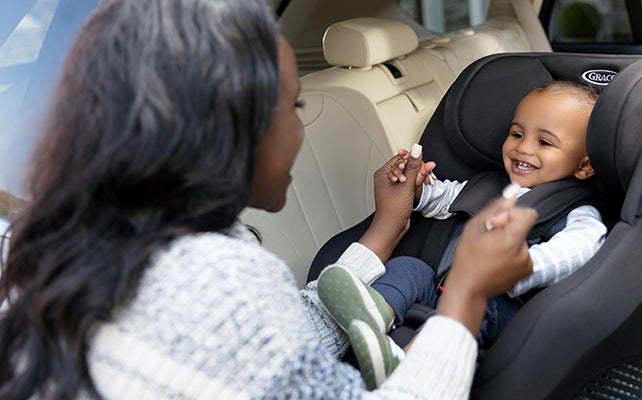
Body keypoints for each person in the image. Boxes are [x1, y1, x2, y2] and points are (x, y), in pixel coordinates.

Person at [0, 0, 538, 398]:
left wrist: (385, 228)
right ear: (232, 133)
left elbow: (274, 346)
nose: (300, 130)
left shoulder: (41, 240)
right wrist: (467, 291)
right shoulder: (214, 278)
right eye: (292, 107)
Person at [318, 82, 608, 390]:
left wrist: (524, 265)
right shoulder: (489, 186)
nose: (523, 148)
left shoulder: (575, 209)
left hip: (506, 309)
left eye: (544, 143)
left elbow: (581, 247)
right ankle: (373, 316)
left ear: (585, 165)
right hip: (442, 289)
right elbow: (444, 198)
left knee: (482, 300)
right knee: (410, 267)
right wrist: (418, 188)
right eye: (517, 134)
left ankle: (410, 363)